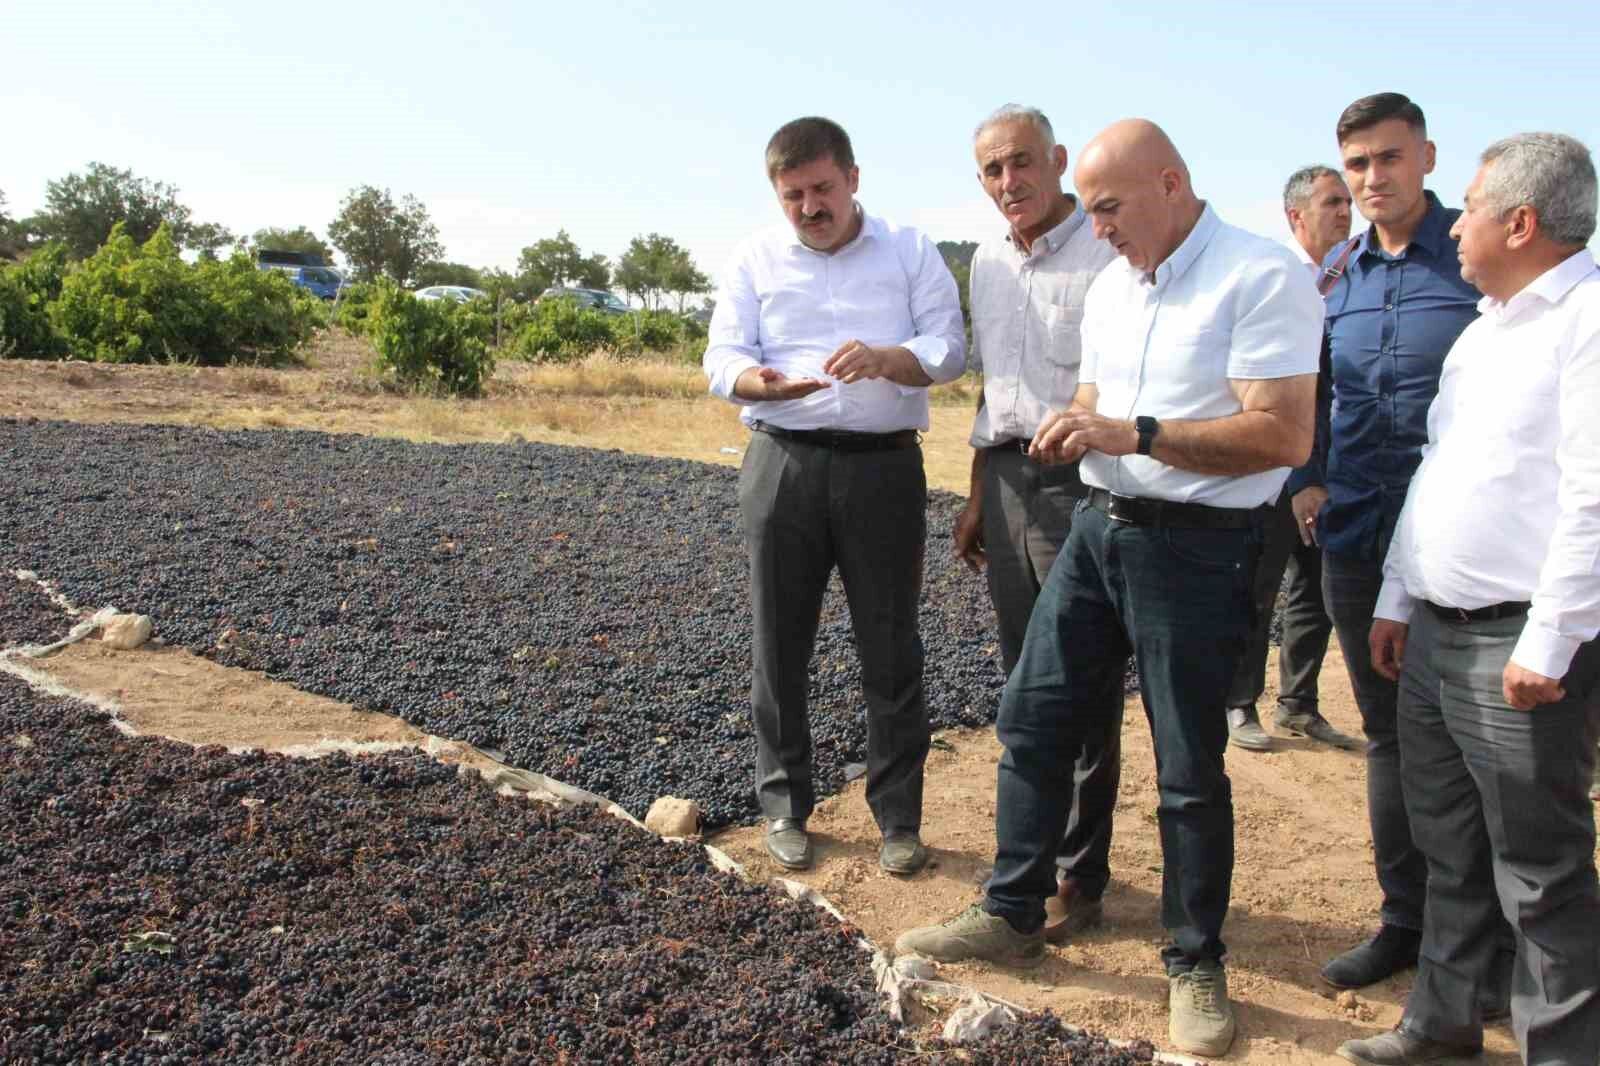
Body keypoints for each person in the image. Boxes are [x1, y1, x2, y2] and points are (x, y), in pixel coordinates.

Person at [895, 119, 1320, 1058]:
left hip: (1201, 548)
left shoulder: (1261, 276)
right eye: (1091, 211)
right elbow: (1096, 400)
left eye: (1111, 207)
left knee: (1187, 766)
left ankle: (1194, 960)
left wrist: (1136, 433)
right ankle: (1013, 909)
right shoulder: (1117, 287)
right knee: (1034, 718)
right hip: (1099, 528)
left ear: (1172, 182)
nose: (1102, 227)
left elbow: (1281, 435)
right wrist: (1076, 422)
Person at [1337, 132, 1600, 1066]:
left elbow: (1593, 494)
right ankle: (1443, 1023)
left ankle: (1560, 1050)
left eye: (1476, 207)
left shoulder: (1588, 322)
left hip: (1516, 648)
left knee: (1539, 873)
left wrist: (1551, 640)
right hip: (1439, 636)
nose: (1458, 227)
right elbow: (1438, 474)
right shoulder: (1486, 331)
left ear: (1522, 223)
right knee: (1449, 850)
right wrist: (1399, 595)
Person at [702, 116, 965, 876]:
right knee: (779, 642)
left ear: (853, 178)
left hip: (884, 470)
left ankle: (898, 820)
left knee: (890, 647)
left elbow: (949, 348)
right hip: (782, 461)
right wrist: (760, 383)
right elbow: (722, 356)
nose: (810, 206)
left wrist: (890, 358)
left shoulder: (911, 252)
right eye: (793, 195)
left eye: (822, 188)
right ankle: (785, 806)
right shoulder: (754, 258)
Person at [1296, 93, 1484, 989]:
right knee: (1389, 740)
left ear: (1428, 157)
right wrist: (1307, 479)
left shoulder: (1484, 265)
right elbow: (1314, 395)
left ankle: (1488, 943)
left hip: (1463, 553)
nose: (1374, 178)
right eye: (1358, 165)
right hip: (1358, 545)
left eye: (1389, 158)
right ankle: (1404, 924)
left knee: (1477, 747)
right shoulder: (1339, 276)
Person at [952, 103, 1118, 941]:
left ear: (1056, 160)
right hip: (1012, 484)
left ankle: (1081, 877)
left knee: (1082, 686)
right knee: (1027, 682)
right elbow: (995, 393)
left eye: (1021, 163)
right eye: (991, 170)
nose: (1008, 183)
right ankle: (1036, 857)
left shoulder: (1105, 251)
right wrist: (980, 493)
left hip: (1081, 489)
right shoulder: (986, 261)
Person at [1226, 165, 1358, 752]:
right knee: (1257, 585)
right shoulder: (1272, 279)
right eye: (1332, 201)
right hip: (1275, 467)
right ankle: (1239, 702)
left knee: (1316, 588)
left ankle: (1299, 704)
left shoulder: (1354, 278)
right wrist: (1302, 474)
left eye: (1347, 202)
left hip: (1337, 461)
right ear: (1295, 216)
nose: (1345, 212)